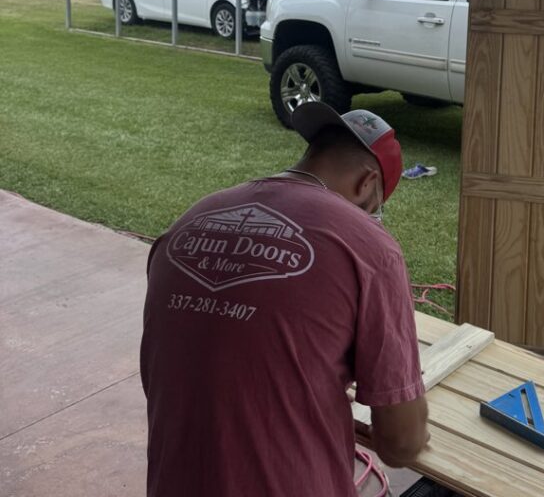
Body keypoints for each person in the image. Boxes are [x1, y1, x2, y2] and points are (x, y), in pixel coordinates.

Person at [140, 103, 429, 496]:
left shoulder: (188, 222)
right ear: (366, 183)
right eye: (374, 210)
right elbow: (401, 444)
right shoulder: (371, 249)